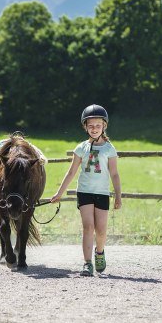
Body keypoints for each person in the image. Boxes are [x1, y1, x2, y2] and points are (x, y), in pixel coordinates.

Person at [51, 104, 122, 276]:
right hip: (84, 192)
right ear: (85, 127)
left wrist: (118, 196)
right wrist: (59, 193)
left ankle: (99, 252)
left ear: (104, 126)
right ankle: (87, 263)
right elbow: (71, 172)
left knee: (101, 230)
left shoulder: (109, 149)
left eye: (98, 125)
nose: (94, 129)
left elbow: (114, 174)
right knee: (88, 227)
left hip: (102, 193)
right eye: (91, 126)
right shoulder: (80, 148)